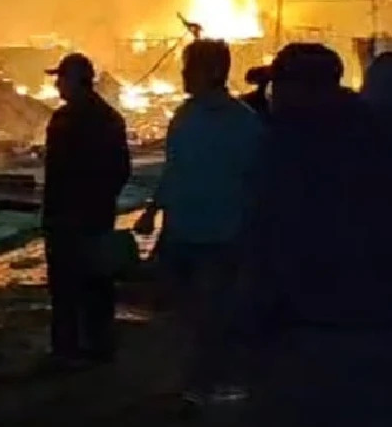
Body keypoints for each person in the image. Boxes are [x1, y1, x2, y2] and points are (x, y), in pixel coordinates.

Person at [239, 43, 392, 427]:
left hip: (318, 335)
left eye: (279, 86)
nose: (272, 96)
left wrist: (252, 323)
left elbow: (272, 240)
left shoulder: (292, 151)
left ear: (304, 90)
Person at [134, 39, 263, 405]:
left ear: (211, 72)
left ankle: (212, 381)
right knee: (187, 313)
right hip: (184, 233)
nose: (183, 75)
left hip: (221, 235)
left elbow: (256, 180)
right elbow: (174, 170)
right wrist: (152, 212)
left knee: (215, 313)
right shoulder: (185, 116)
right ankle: (192, 381)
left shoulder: (243, 124)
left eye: (189, 68)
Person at [41, 53, 132, 366]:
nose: (56, 85)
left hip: (65, 217)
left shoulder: (64, 120)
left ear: (74, 81)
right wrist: (102, 200)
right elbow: (122, 170)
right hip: (97, 215)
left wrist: (55, 212)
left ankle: (66, 350)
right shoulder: (110, 118)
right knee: (97, 283)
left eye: (60, 78)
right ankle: (99, 345)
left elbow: (56, 173)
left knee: (65, 287)